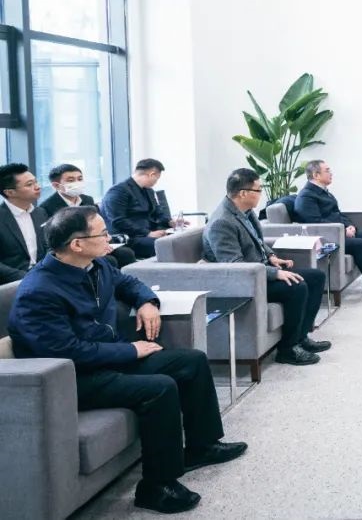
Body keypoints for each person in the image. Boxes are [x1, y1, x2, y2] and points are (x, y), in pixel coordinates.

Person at [5, 206, 248, 514]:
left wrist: (147, 302)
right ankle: (156, 486)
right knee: (160, 388)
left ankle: (201, 446)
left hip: (107, 358)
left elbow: (127, 283)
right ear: (76, 244)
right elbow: (67, 351)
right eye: (102, 233)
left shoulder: (97, 265)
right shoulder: (39, 290)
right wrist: (131, 351)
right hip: (71, 377)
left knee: (192, 362)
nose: (110, 238)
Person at [203, 169, 330, 366]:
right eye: (258, 190)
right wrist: (275, 273)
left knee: (315, 277)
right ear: (243, 193)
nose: (261, 194)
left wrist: (271, 257)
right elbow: (234, 267)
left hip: (259, 271)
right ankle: (287, 349)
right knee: (297, 287)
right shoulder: (222, 222)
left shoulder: (245, 211)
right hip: (244, 282)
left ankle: (301, 337)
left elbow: (258, 241)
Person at [293, 160, 362, 300]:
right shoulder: (306, 196)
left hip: (339, 232)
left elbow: (338, 214)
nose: (331, 173)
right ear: (316, 175)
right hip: (327, 238)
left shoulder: (325, 193)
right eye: (327, 170)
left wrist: (349, 226)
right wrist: (342, 230)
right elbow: (315, 224)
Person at [40, 163, 138, 268]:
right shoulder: (47, 207)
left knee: (126, 253)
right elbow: (53, 240)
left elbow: (99, 224)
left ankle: (121, 278)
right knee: (109, 260)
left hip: (95, 239)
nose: (77, 183)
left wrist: (104, 243)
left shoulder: (87, 200)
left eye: (80, 179)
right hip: (72, 249)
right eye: (71, 180)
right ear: (56, 185)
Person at [100, 159, 176, 259]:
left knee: (177, 240)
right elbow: (118, 221)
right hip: (129, 237)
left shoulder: (148, 191)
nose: (156, 182)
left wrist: (170, 221)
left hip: (147, 232)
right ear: (152, 174)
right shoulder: (118, 191)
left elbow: (157, 211)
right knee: (166, 245)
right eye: (157, 178)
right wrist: (148, 233)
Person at [0, 163, 48, 284]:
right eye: (29, 184)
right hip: (12, 282)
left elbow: (49, 245)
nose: (37, 187)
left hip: (43, 276)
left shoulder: (40, 213)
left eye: (36, 182)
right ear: (10, 192)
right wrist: (26, 277)